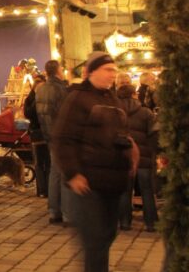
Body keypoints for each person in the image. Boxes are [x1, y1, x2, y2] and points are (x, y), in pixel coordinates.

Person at [53, 52, 138, 272]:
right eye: (108, 70)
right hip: (87, 183)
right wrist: (73, 174)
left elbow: (122, 133)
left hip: (113, 182)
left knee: (107, 236)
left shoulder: (113, 99)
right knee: (95, 240)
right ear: (92, 71)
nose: (113, 75)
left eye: (114, 70)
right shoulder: (78, 98)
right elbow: (63, 139)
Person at [116, 82, 159, 232]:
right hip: (144, 158)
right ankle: (151, 223)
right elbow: (154, 134)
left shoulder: (115, 112)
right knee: (147, 191)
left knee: (125, 191)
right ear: (134, 94)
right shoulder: (145, 112)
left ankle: (125, 222)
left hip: (124, 157)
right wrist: (154, 152)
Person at [36, 59, 69, 224]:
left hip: (48, 134)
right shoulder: (60, 89)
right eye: (62, 68)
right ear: (57, 70)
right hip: (61, 135)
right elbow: (65, 113)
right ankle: (66, 212)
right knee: (64, 173)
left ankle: (53, 210)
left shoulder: (40, 90)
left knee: (54, 172)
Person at [24, 74, 49, 199]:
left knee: (48, 162)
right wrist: (36, 100)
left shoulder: (47, 98)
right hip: (36, 133)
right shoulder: (30, 100)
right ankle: (41, 190)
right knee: (39, 163)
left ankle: (49, 189)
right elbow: (29, 114)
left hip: (47, 132)